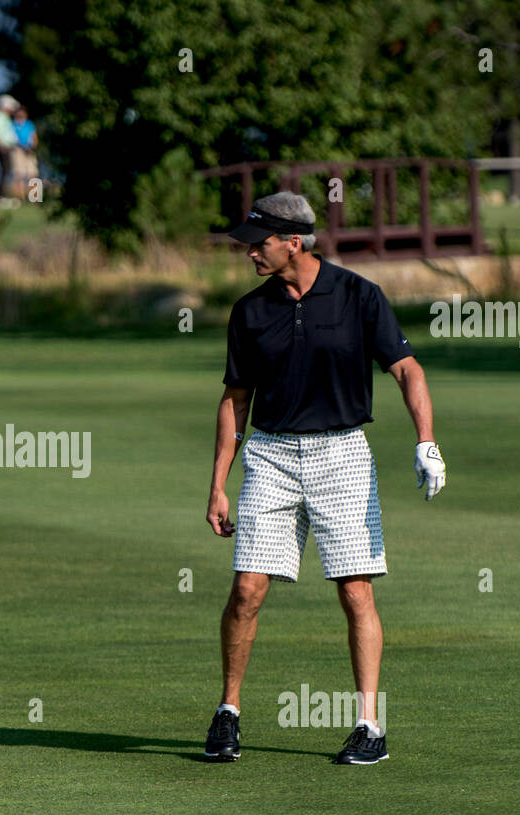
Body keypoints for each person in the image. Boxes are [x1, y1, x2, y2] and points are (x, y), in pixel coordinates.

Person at [203, 192, 446, 766]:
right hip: (272, 453)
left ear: (294, 241)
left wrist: (426, 442)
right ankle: (228, 712)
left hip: (343, 455)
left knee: (355, 590)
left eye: (257, 243)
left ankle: (369, 727)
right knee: (246, 590)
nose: (249, 254)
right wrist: (218, 482)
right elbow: (236, 400)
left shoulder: (360, 296)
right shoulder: (250, 311)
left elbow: (407, 369)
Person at [0, 94, 19, 207]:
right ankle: (0, 197)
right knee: (4, 170)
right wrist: (1, 146)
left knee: (6, 171)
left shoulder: (4, 116)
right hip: (3, 147)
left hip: (7, 147)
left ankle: (3, 196)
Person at [10, 106, 39, 203]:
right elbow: (11, 138)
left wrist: (32, 147)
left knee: (33, 173)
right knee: (19, 174)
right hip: (17, 150)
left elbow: (34, 136)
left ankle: (35, 198)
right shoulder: (13, 125)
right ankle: (20, 198)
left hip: (30, 150)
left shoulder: (29, 124)